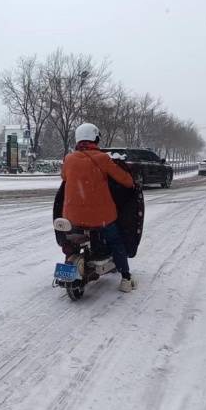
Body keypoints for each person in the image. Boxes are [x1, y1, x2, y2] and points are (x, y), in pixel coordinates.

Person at [61, 123, 137, 292]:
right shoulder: (102, 158)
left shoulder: (69, 158)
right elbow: (126, 181)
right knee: (116, 241)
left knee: (72, 240)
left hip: (72, 217)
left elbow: (64, 176)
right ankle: (125, 278)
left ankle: (74, 265)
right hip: (101, 218)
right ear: (94, 138)